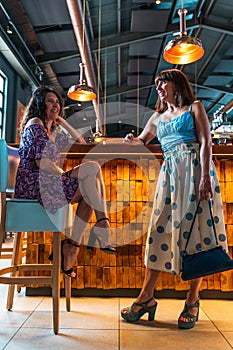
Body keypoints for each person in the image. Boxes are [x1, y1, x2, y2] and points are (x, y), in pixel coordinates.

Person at [121, 69, 227, 329]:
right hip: (169, 176)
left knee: (197, 235)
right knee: (159, 230)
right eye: (157, 84)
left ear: (176, 85)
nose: (158, 88)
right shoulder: (158, 117)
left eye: (163, 83)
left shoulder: (195, 108)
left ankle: (192, 300)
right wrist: (131, 140)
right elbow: (143, 141)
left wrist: (205, 178)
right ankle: (147, 296)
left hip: (195, 172)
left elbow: (206, 142)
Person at [15, 86, 117, 278]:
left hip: (46, 181)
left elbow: (82, 144)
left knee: (91, 175)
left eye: (57, 103)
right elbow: (42, 163)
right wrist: (63, 175)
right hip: (34, 184)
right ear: (39, 104)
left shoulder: (50, 131)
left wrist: (61, 120)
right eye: (50, 101)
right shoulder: (35, 123)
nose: (55, 105)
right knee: (90, 175)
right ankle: (95, 230)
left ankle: (77, 243)